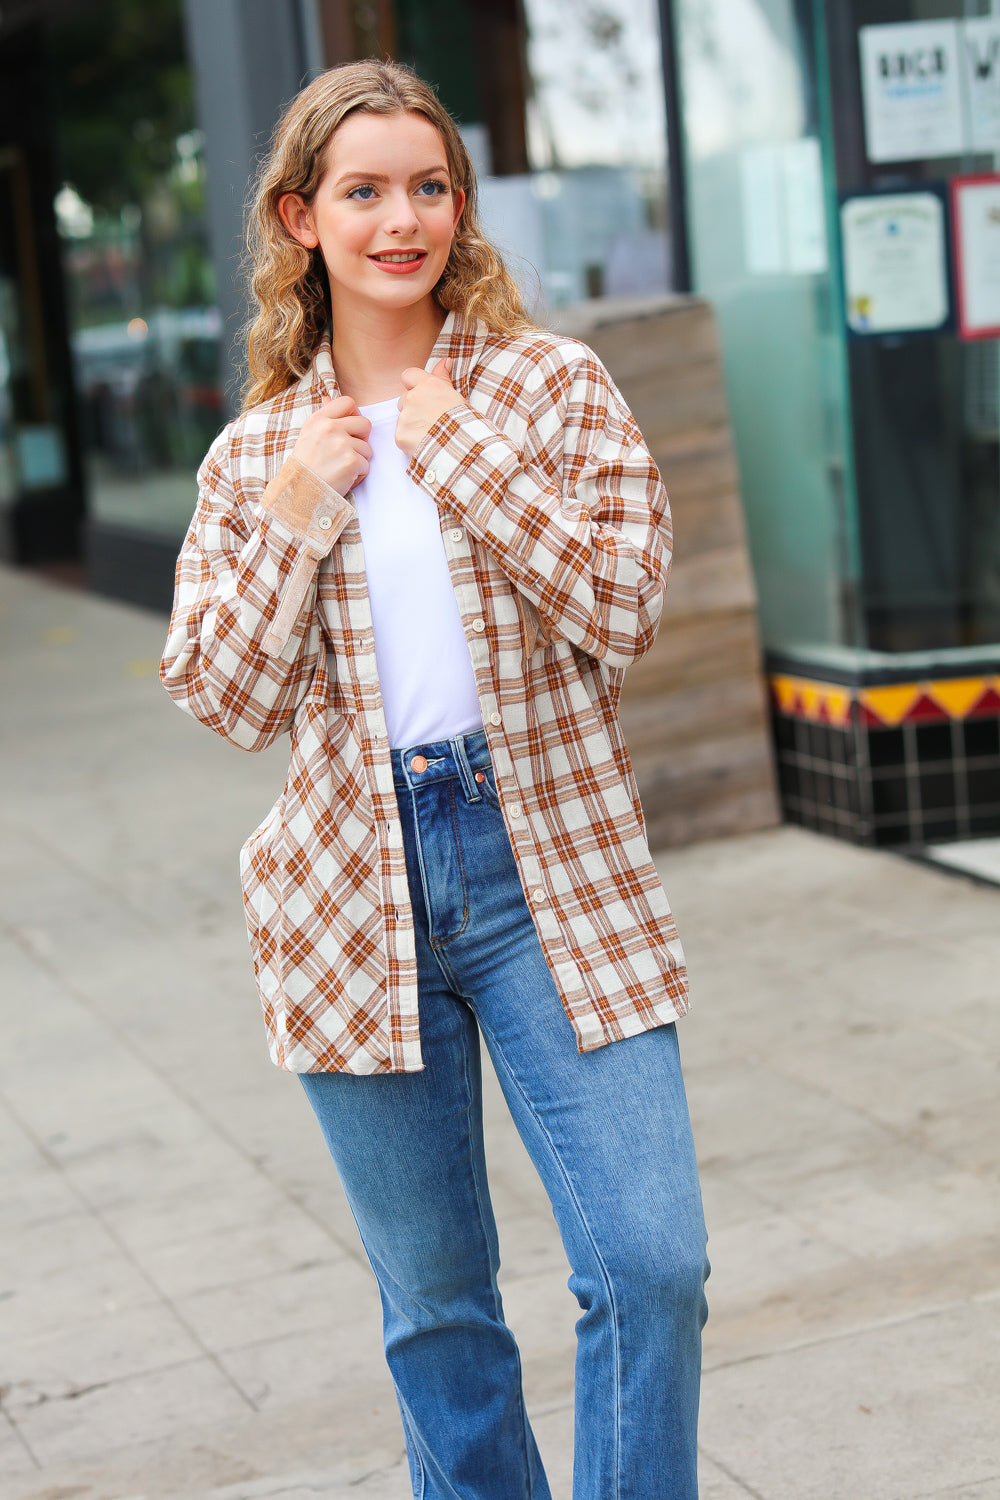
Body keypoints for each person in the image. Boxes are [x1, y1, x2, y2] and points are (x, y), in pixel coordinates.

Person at [161, 59, 708, 1500]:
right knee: (440, 1317)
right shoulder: (256, 458)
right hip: (354, 889)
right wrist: (297, 512)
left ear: (456, 207)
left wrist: (456, 451)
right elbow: (223, 696)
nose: (400, 217)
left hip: (550, 868)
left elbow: (621, 611)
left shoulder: (550, 387)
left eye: (427, 186)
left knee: (651, 1263)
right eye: (363, 190)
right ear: (300, 218)